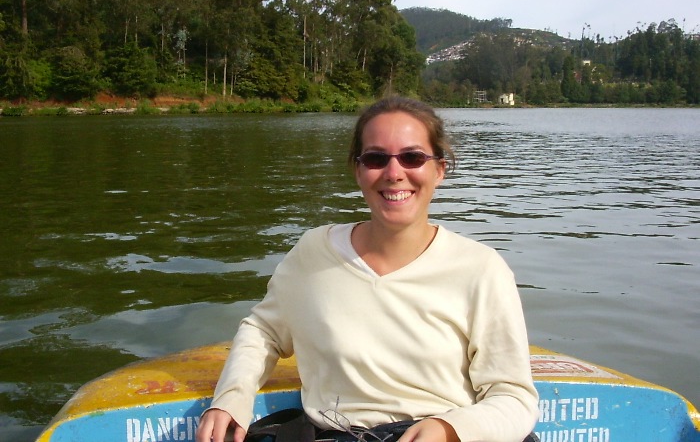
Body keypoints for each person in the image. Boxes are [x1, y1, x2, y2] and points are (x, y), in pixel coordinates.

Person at [197, 96, 539, 442]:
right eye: (376, 158)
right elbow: (264, 332)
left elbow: (514, 398)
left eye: (412, 157)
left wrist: (450, 429)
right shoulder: (314, 253)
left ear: (439, 169)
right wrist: (231, 399)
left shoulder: (481, 269)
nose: (394, 173)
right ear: (358, 170)